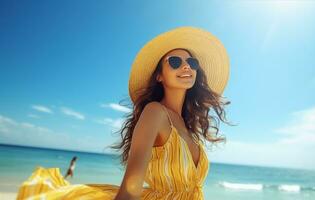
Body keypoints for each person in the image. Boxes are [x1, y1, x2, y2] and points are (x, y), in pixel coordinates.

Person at [16, 26, 231, 200]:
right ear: (159, 76)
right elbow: (131, 187)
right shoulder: (155, 113)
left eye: (191, 62)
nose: (186, 67)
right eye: (175, 62)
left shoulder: (188, 125)